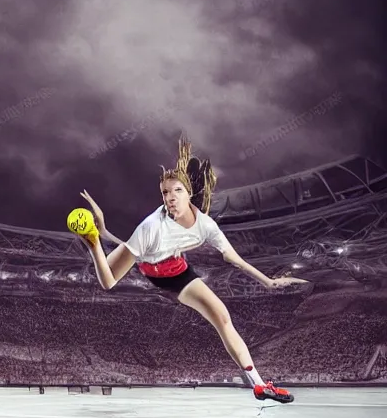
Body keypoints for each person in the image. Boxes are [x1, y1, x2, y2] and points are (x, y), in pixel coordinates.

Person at [74, 137, 307, 403]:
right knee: (112, 271)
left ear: (189, 193)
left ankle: (258, 385)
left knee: (222, 316)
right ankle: (93, 239)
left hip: (178, 271)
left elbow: (233, 258)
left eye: (176, 191)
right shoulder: (151, 227)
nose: (170, 198)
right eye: (164, 193)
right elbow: (108, 282)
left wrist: (268, 281)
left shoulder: (205, 224)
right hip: (152, 269)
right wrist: (95, 240)